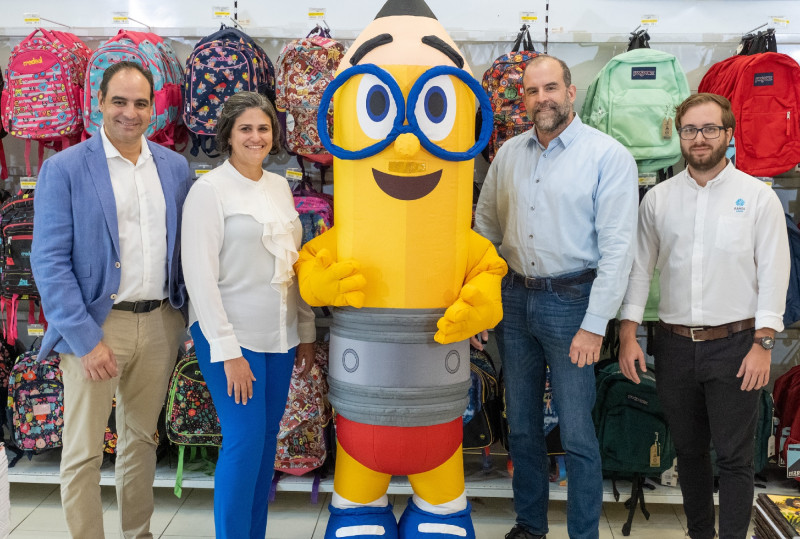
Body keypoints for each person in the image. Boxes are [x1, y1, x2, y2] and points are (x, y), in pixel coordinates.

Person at [474, 54, 639, 539]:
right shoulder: (508, 154)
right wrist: (483, 302)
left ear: (571, 92)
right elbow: (485, 232)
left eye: (550, 88)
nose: (541, 98)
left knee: (577, 432)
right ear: (522, 98)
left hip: (573, 305)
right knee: (521, 426)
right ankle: (530, 525)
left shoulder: (608, 156)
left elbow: (617, 252)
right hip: (514, 301)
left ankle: (583, 532)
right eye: (531, 91)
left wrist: (594, 325)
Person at [31, 61, 192, 539]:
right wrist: (85, 340)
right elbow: (50, 263)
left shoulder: (175, 167)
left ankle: (137, 533)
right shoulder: (64, 168)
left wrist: (183, 320)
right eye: (118, 101)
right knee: (81, 451)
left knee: (141, 441)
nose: (129, 112)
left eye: (140, 103)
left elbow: (183, 249)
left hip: (160, 322)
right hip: (96, 327)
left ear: (153, 110)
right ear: (98, 104)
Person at [618, 93, 790, 539]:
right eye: (690, 129)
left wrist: (763, 344)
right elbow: (639, 270)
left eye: (710, 129)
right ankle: (700, 535)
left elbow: (775, 275)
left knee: (734, 459)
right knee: (689, 454)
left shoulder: (757, 199)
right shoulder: (658, 199)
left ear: (728, 135)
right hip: (673, 346)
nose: (699, 138)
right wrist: (628, 334)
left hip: (738, 346)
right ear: (680, 135)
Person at [181, 91, 316, 539]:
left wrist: (306, 330)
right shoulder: (208, 191)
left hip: (279, 338)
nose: (256, 137)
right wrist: (229, 351)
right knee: (242, 444)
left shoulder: (279, 187)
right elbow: (199, 279)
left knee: (263, 449)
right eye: (246, 129)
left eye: (263, 128)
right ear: (228, 135)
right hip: (230, 338)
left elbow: (293, 264)